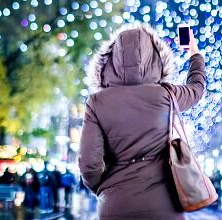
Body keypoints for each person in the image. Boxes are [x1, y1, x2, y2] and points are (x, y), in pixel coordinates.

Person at [78, 23, 205, 220]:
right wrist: (194, 54)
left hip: (116, 206)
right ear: (156, 57)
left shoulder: (97, 102)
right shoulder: (167, 94)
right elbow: (196, 88)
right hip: (165, 206)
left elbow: (89, 164)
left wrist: (106, 189)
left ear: (111, 60)